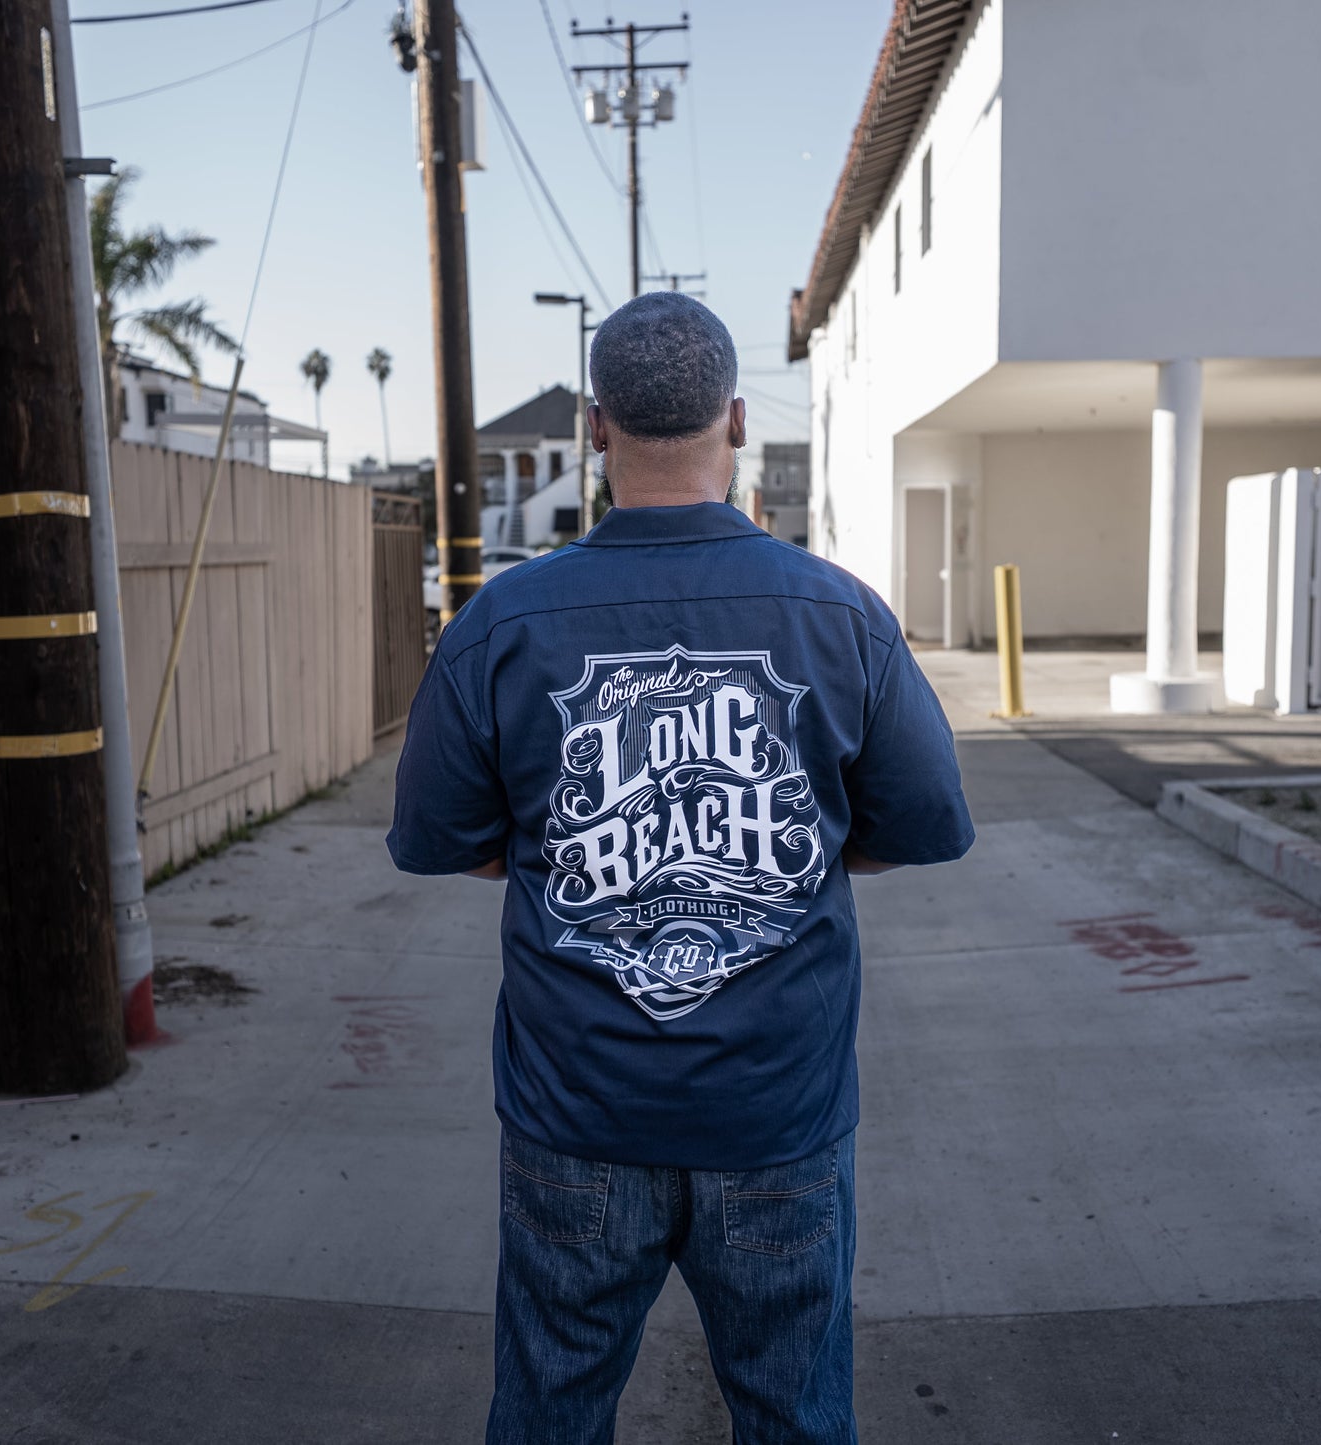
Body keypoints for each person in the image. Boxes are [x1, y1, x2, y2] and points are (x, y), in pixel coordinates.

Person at [387, 292, 974, 1444]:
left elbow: (444, 839)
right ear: (738, 421)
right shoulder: (840, 614)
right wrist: (789, 852)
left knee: (548, 1414)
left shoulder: (500, 621)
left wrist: (575, 856)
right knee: (795, 1418)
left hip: (574, 1112)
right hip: (776, 1115)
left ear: (594, 426)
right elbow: (919, 824)